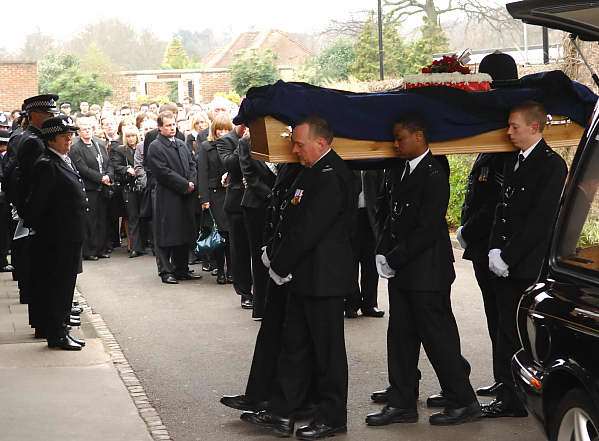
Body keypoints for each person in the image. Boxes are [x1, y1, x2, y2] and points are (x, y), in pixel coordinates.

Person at [241, 116, 356, 439]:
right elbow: (292, 219)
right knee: (295, 347)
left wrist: (278, 265)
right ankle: (282, 412)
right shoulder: (313, 173)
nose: (294, 149)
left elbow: (309, 230)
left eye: (300, 144)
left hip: (324, 279)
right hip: (305, 276)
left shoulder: (331, 176)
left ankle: (333, 417)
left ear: (321, 143)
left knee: (328, 353)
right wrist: (277, 255)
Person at [366, 116, 480, 427]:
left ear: (419, 137)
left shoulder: (433, 172)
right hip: (404, 270)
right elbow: (390, 215)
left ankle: (464, 400)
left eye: (401, 138)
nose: (396, 144)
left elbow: (426, 227)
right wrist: (381, 251)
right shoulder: (401, 170)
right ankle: (402, 400)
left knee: (437, 338)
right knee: (400, 336)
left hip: (427, 271)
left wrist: (395, 258)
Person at [483, 101, 567, 418]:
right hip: (505, 262)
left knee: (519, 333)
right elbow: (501, 211)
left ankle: (518, 397)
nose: (509, 132)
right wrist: (493, 249)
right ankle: (508, 393)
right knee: (505, 330)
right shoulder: (515, 161)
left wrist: (508, 256)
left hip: (527, 265)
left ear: (534, 127)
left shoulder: (551, 165)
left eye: (514, 126)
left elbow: (540, 220)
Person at [456, 51, 517, 398]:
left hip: (496, 247)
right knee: (495, 319)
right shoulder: (493, 142)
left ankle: (512, 387)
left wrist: (467, 230)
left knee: (506, 321)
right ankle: (502, 378)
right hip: (483, 247)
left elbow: (496, 201)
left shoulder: (506, 149)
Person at [220, 162, 303, 412]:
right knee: (270, 331)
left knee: (294, 340)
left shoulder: (307, 169)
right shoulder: (291, 166)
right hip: (279, 252)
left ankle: (283, 403)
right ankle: (258, 394)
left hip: (295, 263)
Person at [23, 115, 87, 350]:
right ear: (51, 139)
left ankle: (62, 329)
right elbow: (36, 207)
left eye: (70, 135)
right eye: (64, 136)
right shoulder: (46, 164)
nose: (69, 139)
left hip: (69, 235)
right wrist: (52, 229)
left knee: (66, 285)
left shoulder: (62, 159)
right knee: (57, 286)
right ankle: (57, 333)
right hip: (57, 238)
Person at [146, 111, 201, 284]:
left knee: (183, 232)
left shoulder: (181, 144)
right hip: (168, 196)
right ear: (160, 127)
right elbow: (162, 172)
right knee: (166, 233)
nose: (172, 128)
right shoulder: (155, 146)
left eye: (173, 124)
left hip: (186, 196)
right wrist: (185, 185)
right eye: (168, 125)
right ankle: (166, 270)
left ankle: (181, 268)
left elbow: (192, 164)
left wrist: (192, 181)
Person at [238, 132, 276, 319]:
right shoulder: (245, 142)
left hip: (279, 203)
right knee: (259, 255)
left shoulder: (280, 137)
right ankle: (260, 306)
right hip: (256, 205)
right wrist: (271, 196)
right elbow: (250, 176)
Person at [217, 124, 253, 309]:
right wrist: (243, 143)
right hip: (237, 201)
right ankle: (245, 292)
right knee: (240, 251)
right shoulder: (226, 141)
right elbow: (230, 164)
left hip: (257, 199)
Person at [69, 117, 114, 260]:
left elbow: (108, 163)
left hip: (103, 187)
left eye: (89, 128)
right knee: (91, 221)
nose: (87, 131)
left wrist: (108, 175)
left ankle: (101, 248)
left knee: (102, 219)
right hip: (90, 188)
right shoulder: (76, 148)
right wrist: (101, 178)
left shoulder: (99, 144)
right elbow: (83, 168)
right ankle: (90, 250)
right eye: (84, 129)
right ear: (79, 132)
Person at [197, 114, 233, 284]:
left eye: (227, 129)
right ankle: (220, 269)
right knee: (219, 233)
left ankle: (232, 270)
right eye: (220, 129)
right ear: (214, 130)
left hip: (231, 193)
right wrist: (204, 198)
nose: (223, 132)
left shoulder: (235, 144)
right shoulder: (206, 146)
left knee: (231, 234)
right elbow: (202, 173)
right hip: (214, 194)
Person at [345, 169, 385, 319]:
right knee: (350, 265)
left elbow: (382, 191)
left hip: (370, 219)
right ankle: (351, 304)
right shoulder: (347, 164)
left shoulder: (375, 166)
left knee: (370, 264)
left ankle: (370, 304)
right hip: (351, 219)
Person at [111, 125, 145, 258]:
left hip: (142, 185)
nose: (131, 139)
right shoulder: (120, 150)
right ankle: (135, 247)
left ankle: (147, 244)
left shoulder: (143, 148)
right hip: (128, 187)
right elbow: (115, 165)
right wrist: (127, 169)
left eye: (133, 136)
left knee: (145, 217)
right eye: (128, 136)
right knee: (133, 217)